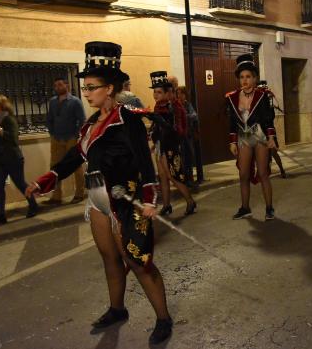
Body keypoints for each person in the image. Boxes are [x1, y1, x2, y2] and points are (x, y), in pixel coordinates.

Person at [25, 42, 173, 344]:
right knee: (109, 258)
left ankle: (163, 318)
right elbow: (76, 156)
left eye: (92, 87)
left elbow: (146, 163)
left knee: (137, 261)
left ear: (109, 89)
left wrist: (149, 199)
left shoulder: (128, 118)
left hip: (124, 199)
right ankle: (117, 309)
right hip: (96, 198)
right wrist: (46, 180)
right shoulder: (91, 123)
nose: (87, 93)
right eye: (85, 87)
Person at [226, 54, 276, 220]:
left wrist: (271, 138)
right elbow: (232, 122)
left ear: (255, 78)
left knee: (262, 173)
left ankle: (269, 208)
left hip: (259, 136)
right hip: (243, 137)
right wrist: (232, 141)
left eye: (248, 76)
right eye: (241, 77)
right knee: (243, 174)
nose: (245, 80)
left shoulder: (263, 95)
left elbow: (269, 119)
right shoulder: (232, 98)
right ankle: (245, 207)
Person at [0, 95, 38, 227]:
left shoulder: (9, 119)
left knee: (20, 183)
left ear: (1, 105)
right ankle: (0, 215)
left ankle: (33, 205)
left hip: (12, 158)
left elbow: (13, 139)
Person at [149, 72, 196, 217]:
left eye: (158, 92)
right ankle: (167, 205)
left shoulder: (173, 106)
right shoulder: (159, 106)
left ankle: (190, 201)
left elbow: (177, 130)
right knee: (163, 176)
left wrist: (158, 120)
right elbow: (157, 128)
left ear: (167, 92)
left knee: (172, 175)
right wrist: (153, 135)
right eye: (154, 92)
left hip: (170, 146)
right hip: (160, 146)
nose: (155, 95)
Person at [45, 77, 86, 205]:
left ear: (66, 86)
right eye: (55, 85)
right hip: (56, 138)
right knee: (55, 167)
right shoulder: (52, 102)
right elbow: (50, 118)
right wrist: (52, 132)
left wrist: (76, 134)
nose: (57, 87)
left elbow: (82, 120)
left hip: (71, 139)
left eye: (60, 85)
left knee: (75, 166)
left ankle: (80, 194)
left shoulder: (75, 101)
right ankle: (56, 197)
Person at [257, 80, 286, 178]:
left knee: (273, 151)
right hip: (260, 130)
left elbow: (271, 116)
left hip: (269, 129)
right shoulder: (257, 100)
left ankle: (282, 170)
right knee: (263, 153)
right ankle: (266, 172)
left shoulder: (268, 98)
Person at [176, 86, 198, 186]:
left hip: (188, 135)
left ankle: (190, 178)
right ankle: (184, 179)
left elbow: (194, 115)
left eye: (181, 93)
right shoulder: (175, 105)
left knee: (190, 155)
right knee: (182, 157)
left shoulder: (187, 104)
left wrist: (185, 116)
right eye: (178, 93)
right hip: (179, 136)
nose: (180, 95)